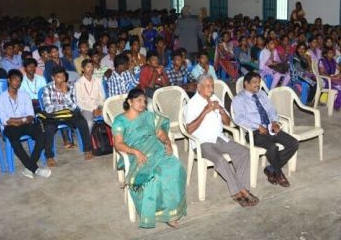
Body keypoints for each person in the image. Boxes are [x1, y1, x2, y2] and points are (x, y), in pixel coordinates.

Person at [112, 89, 187, 229]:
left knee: (174, 168)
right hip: (135, 154)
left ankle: (171, 211)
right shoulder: (120, 121)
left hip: (156, 149)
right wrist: (135, 152)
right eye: (139, 100)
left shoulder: (149, 116)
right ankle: (162, 213)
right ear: (129, 101)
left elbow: (160, 133)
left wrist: (167, 143)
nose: (142, 104)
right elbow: (118, 144)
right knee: (154, 177)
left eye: (144, 101)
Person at [183, 74, 259, 207]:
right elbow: (189, 130)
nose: (211, 89)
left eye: (212, 86)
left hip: (219, 138)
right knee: (220, 160)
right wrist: (205, 111)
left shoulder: (215, 98)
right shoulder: (192, 104)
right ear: (199, 87)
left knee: (243, 152)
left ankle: (243, 189)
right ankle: (239, 191)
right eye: (208, 86)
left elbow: (228, 123)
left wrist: (222, 111)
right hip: (202, 142)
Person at [232, 72, 298, 187]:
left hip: (269, 127)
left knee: (293, 143)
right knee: (272, 147)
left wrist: (274, 122)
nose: (258, 85)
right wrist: (257, 126)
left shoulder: (262, 94)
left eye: (259, 82)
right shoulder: (239, 99)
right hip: (254, 132)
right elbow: (239, 119)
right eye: (254, 82)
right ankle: (279, 173)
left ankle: (271, 169)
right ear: (246, 84)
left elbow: (271, 109)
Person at [0, 69, 51, 179]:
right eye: (14, 79)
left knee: (42, 134)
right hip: (10, 127)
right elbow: (5, 120)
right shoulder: (0, 98)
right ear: (9, 80)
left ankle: (29, 167)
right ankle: (35, 169)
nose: (17, 82)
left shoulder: (25, 95)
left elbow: (31, 116)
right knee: (15, 142)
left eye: (19, 80)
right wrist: (21, 119)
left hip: (25, 124)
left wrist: (20, 120)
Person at [42, 66, 93, 165]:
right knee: (48, 128)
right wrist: (62, 108)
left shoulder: (71, 87)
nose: (61, 79)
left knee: (82, 122)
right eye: (58, 77)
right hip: (54, 116)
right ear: (53, 78)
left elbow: (74, 107)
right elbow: (48, 108)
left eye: (63, 76)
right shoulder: (47, 89)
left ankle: (88, 150)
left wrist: (65, 93)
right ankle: (49, 156)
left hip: (69, 114)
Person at [75, 59, 104, 133]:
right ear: (82, 69)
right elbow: (80, 102)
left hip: (99, 107)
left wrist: (99, 108)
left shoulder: (98, 80)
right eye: (88, 67)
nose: (91, 69)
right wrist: (93, 110)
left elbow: (102, 97)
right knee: (89, 122)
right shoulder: (78, 83)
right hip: (86, 109)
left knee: (111, 117)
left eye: (92, 67)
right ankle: (87, 142)